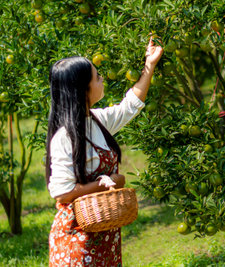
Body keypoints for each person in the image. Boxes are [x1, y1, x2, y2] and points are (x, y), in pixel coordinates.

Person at [45, 38, 163, 266]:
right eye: (97, 77)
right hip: (77, 240)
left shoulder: (96, 120)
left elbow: (130, 106)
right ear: (83, 89)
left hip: (104, 234)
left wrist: (150, 64)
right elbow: (62, 192)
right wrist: (108, 183)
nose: (101, 80)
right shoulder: (65, 137)